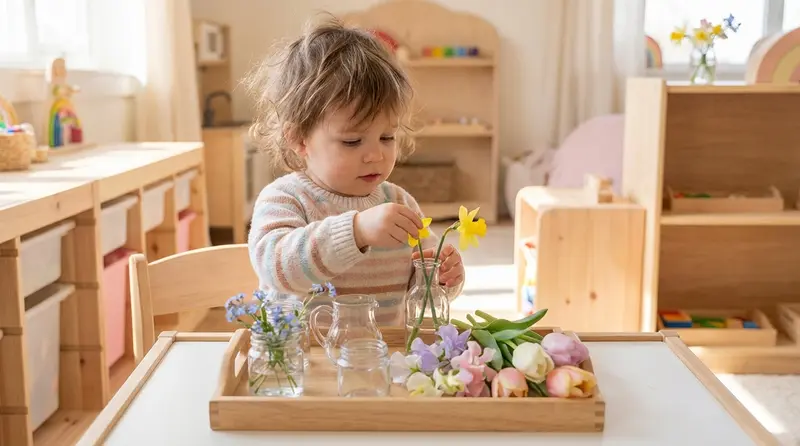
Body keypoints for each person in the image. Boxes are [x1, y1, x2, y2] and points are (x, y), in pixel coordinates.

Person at [244, 16, 465, 325]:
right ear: (299, 139)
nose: (375, 154)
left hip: (382, 357)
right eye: (352, 141)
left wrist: (442, 277)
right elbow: (278, 269)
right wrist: (356, 231)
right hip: (302, 360)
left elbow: (420, 291)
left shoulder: (399, 203)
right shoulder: (283, 199)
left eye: (387, 137)